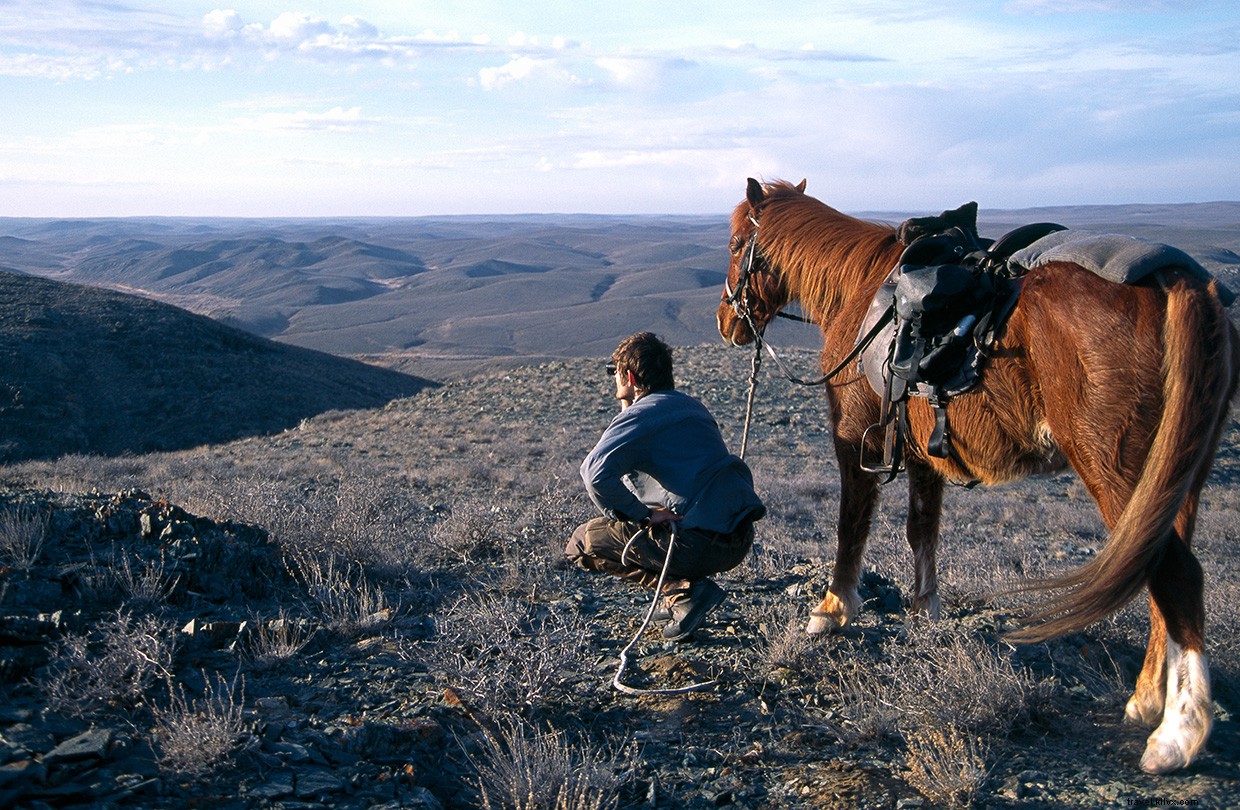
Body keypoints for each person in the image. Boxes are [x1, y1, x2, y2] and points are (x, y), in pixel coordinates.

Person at [565, 332, 765, 642]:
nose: (613, 380)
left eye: (614, 372)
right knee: (659, 523)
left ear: (628, 376)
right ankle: (678, 595)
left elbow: (593, 473)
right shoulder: (691, 407)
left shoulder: (641, 416)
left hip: (697, 546)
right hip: (736, 541)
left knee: (582, 542)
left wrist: (642, 516)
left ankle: (681, 594)